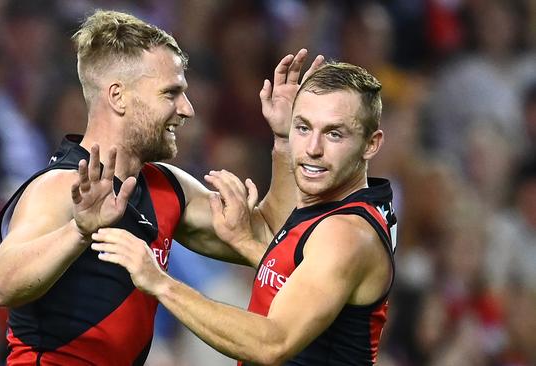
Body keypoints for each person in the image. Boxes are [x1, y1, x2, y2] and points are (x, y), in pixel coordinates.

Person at [0, 10, 323, 365]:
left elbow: (274, 238)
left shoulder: (168, 188)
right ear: (118, 96)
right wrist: (79, 230)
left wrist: (286, 140)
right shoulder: (60, 187)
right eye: (171, 93)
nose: (187, 109)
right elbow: (1, 285)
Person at [93, 62, 398, 365]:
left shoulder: (346, 232)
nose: (313, 148)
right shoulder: (334, 209)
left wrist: (160, 282)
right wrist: (245, 242)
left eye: (334, 134)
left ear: (371, 144)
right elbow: (302, 279)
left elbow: (273, 342)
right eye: (303, 128)